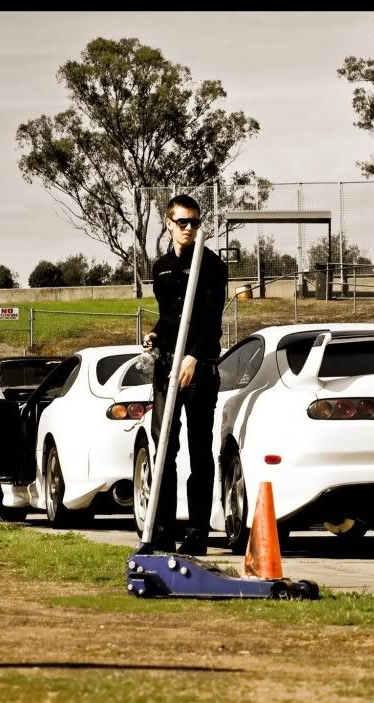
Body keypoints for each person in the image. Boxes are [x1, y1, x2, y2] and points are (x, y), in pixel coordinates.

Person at [141, 194, 228, 555]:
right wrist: (155, 335)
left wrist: (193, 357)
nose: (189, 228)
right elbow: (169, 316)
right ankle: (161, 531)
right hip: (167, 368)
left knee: (199, 450)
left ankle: (197, 533)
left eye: (194, 222)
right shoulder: (161, 268)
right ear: (169, 224)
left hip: (199, 368)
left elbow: (210, 318)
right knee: (164, 448)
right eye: (182, 222)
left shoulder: (211, 265)